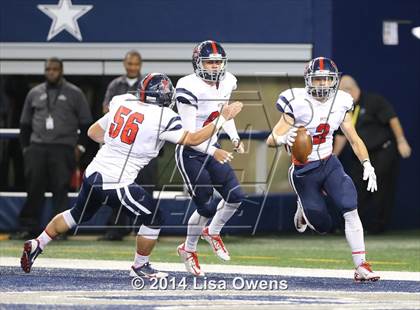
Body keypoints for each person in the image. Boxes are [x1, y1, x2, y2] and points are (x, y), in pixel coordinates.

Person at [20, 73, 242, 278]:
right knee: (154, 218)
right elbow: (193, 140)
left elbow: (93, 133)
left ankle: (38, 242)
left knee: (77, 214)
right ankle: (140, 266)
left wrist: (121, 144)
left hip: (94, 172)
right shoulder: (164, 116)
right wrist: (221, 118)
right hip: (118, 181)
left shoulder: (122, 102)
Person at [266, 57, 380, 282]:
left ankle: (361, 266)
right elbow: (271, 139)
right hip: (303, 169)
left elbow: (354, 138)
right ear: (309, 80)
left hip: (329, 162)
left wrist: (367, 164)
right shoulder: (296, 101)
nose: (322, 84)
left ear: (334, 81)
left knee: (350, 206)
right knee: (322, 225)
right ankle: (303, 205)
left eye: (327, 79)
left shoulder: (341, 101)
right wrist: (282, 139)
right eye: (318, 79)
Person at [175, 40, 246, 277]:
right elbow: (190, 136)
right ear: (198, 63)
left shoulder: (227, 81)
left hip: (212, 145)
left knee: (236, 196)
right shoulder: (187, 86)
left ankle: (213, 232)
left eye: (218, 62)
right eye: (209, 62)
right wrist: (213, 150)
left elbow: (223, 113)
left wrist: (234, 137)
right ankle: (189, 249)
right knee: (205, 205)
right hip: (191, 152)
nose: (215, 67)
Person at [13, 58, 92, 239]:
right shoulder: (34, 92)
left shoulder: (74, 93)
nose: (51, 72)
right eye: (48, 69)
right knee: (33, 188)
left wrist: (79, 147)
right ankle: (28, 226)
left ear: (61, 71)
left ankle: (61, 231)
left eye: (55, 69)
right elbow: (24, 124)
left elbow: (86, 121)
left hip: (63, 148)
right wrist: (26, 149)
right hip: (37, 147)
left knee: (60, 189)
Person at [333, 75, 411, 234]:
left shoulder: (374, 101)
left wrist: (401, 140)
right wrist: (332, 156)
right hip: (361, 157)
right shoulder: (345, 108)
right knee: (354, 189)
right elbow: (342, 135)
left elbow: (393, 120)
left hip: (382, 152)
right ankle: (349, 226)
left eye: (341, 93)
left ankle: (378, 226)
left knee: (381, 189)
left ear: (350, 91)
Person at [100, 50, 153, 241]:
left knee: (146, 187)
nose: (132, 67)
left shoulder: (148, 84)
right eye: (130, 64)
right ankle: (117, 228)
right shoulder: (116, 85)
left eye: (136, 64)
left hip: (143, 146)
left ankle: (146, 227)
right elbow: (106, 109)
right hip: (121, 146)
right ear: (125, 64)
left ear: (140, 65)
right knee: (117, 187)